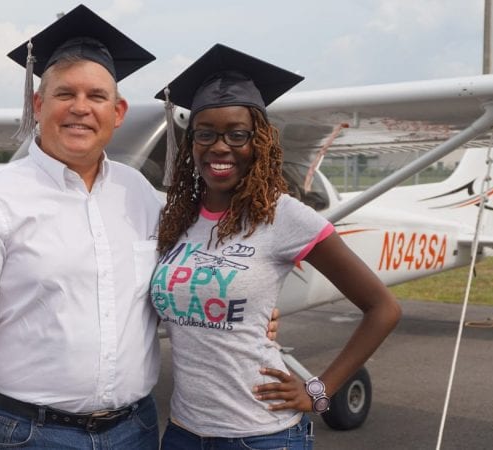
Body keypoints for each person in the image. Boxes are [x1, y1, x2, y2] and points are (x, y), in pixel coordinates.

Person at [0, 5, 162, 449]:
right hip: (27, 434)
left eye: (96, 96)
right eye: (65, 94)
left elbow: (170, 286)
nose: (81, 109)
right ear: (38, 103)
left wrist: (236, 305)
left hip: (137, 430)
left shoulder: (140, 195)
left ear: (119, 110)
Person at [151, 44, 402, 449]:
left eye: (237, 134)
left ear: (261, 141)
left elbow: (383, 309)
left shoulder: (284, 217)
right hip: (183, 432)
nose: (220, 146)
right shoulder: (176, 219)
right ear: (191, 142)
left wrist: (319, 392)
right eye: (206, 133)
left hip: (262, 436)